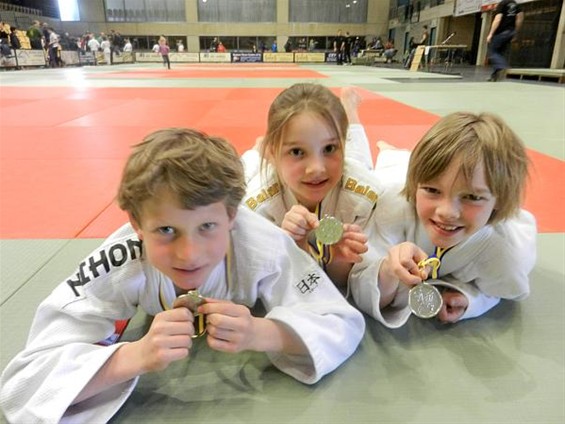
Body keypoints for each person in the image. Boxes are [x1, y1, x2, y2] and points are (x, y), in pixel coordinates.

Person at [0, 128, 365, 423]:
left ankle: (254, 154)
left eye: (207, 226)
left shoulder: (263, 244)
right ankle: (252, 155)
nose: (189, 254)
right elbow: (24, 384)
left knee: (252, 173)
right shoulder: (123, 257)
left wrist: (262, 332)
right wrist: (134, 356)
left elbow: (341, 320)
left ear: (232, 218)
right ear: (137, 225)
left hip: (250, 207)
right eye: (166, 231)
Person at [354, 112, 537, 326]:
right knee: (377, 168)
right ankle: (389, 150)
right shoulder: (392, 207)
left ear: (498, 200)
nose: (447, 212)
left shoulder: (506, 253)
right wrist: (387, 268)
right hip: (395, 179)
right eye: (432, 190)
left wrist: (470, 300)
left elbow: (502, 292)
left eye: (472, 197)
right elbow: (361, 288)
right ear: (416, 186)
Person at [242, 83, 386, 311]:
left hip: (350, 170)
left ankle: (350, 109)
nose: (317, 168)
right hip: (267, 171)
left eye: (330, 148)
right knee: (246, 166)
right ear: (273, 154)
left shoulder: (363, 196)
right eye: (297, 152)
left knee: (362, 163)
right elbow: (283, 287)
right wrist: (293, 245)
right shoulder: (258, 206)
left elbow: (349, 281)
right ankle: (257, 148)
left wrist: (340, 261)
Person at [487, 0, 524, 82]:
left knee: (492, 52)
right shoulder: (516, 4)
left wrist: (491, 34)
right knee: (499, 53)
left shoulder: (502, 4)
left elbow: (498, 19)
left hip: (501, 32)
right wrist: (515, 33)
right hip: (510, 32)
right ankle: (495, 75)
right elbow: (520, 18)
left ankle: (503, 67)